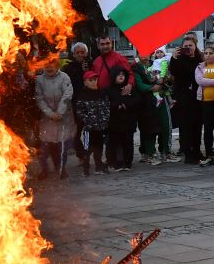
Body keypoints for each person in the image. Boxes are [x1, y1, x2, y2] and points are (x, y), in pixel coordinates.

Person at [67, 42, 109, 175]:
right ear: (73, 54)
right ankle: (83, 158)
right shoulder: (69, 68)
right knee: (77, 135)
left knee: (97, 142)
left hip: (95, 111)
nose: (80, 55)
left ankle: (97, 163)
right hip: (78, 104)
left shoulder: (92, 65)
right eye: (77, 53)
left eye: (82, 52)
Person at [34, 56, 74, 179]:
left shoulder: (64, 77)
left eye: (52, 64)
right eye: (47, 65)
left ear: (57, 66)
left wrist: (60, 112)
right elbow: (39, 98)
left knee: (62, 146)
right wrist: (50, 113)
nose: (49, 67)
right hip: (47, 119)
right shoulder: (39, 80)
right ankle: (44, 169)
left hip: (63, 117)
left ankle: (61, 168)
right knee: (44, 147)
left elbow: (67, 94)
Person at [168, 36, 202, 164]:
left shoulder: (200, 58)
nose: (188, 49)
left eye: (190, 46)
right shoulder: (179, 60)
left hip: (197, 97)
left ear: (195, 46)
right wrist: (174, 58)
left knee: (197, 125)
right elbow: (175, 72)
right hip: (184, 97)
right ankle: (188, 152)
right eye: (185, 46)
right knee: (185, 126)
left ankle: (197, 151)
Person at [107, 66, 144, 171]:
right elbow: (106, 103)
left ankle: (128, 163)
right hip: (114, 122)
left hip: (128, 121)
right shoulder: (109, 90)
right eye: (119, 75)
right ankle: (116, 162)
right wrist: (116, 105)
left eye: (123, 75)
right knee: (115, 142)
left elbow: (137, 100)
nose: (121, 76)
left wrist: (126, 105)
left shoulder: (130, 89)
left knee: (128, 142)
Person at [194, 45, 214, 165]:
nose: (208, 55)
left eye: (210, 53)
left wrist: (213, 81)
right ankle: (209, 153)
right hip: (206, 101)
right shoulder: (200, 67)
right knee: (208, 128)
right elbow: (200, 81)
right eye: (206, 53)